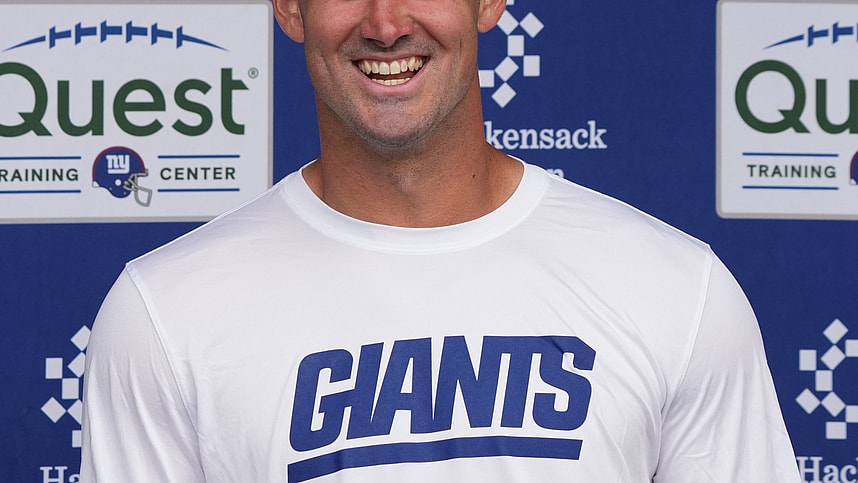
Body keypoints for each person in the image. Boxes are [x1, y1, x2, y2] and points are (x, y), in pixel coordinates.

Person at [80, 0, 802, 481]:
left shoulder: (676, 290)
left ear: (487, 1)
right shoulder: (164, 312)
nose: (387, 23)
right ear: (289, 8)